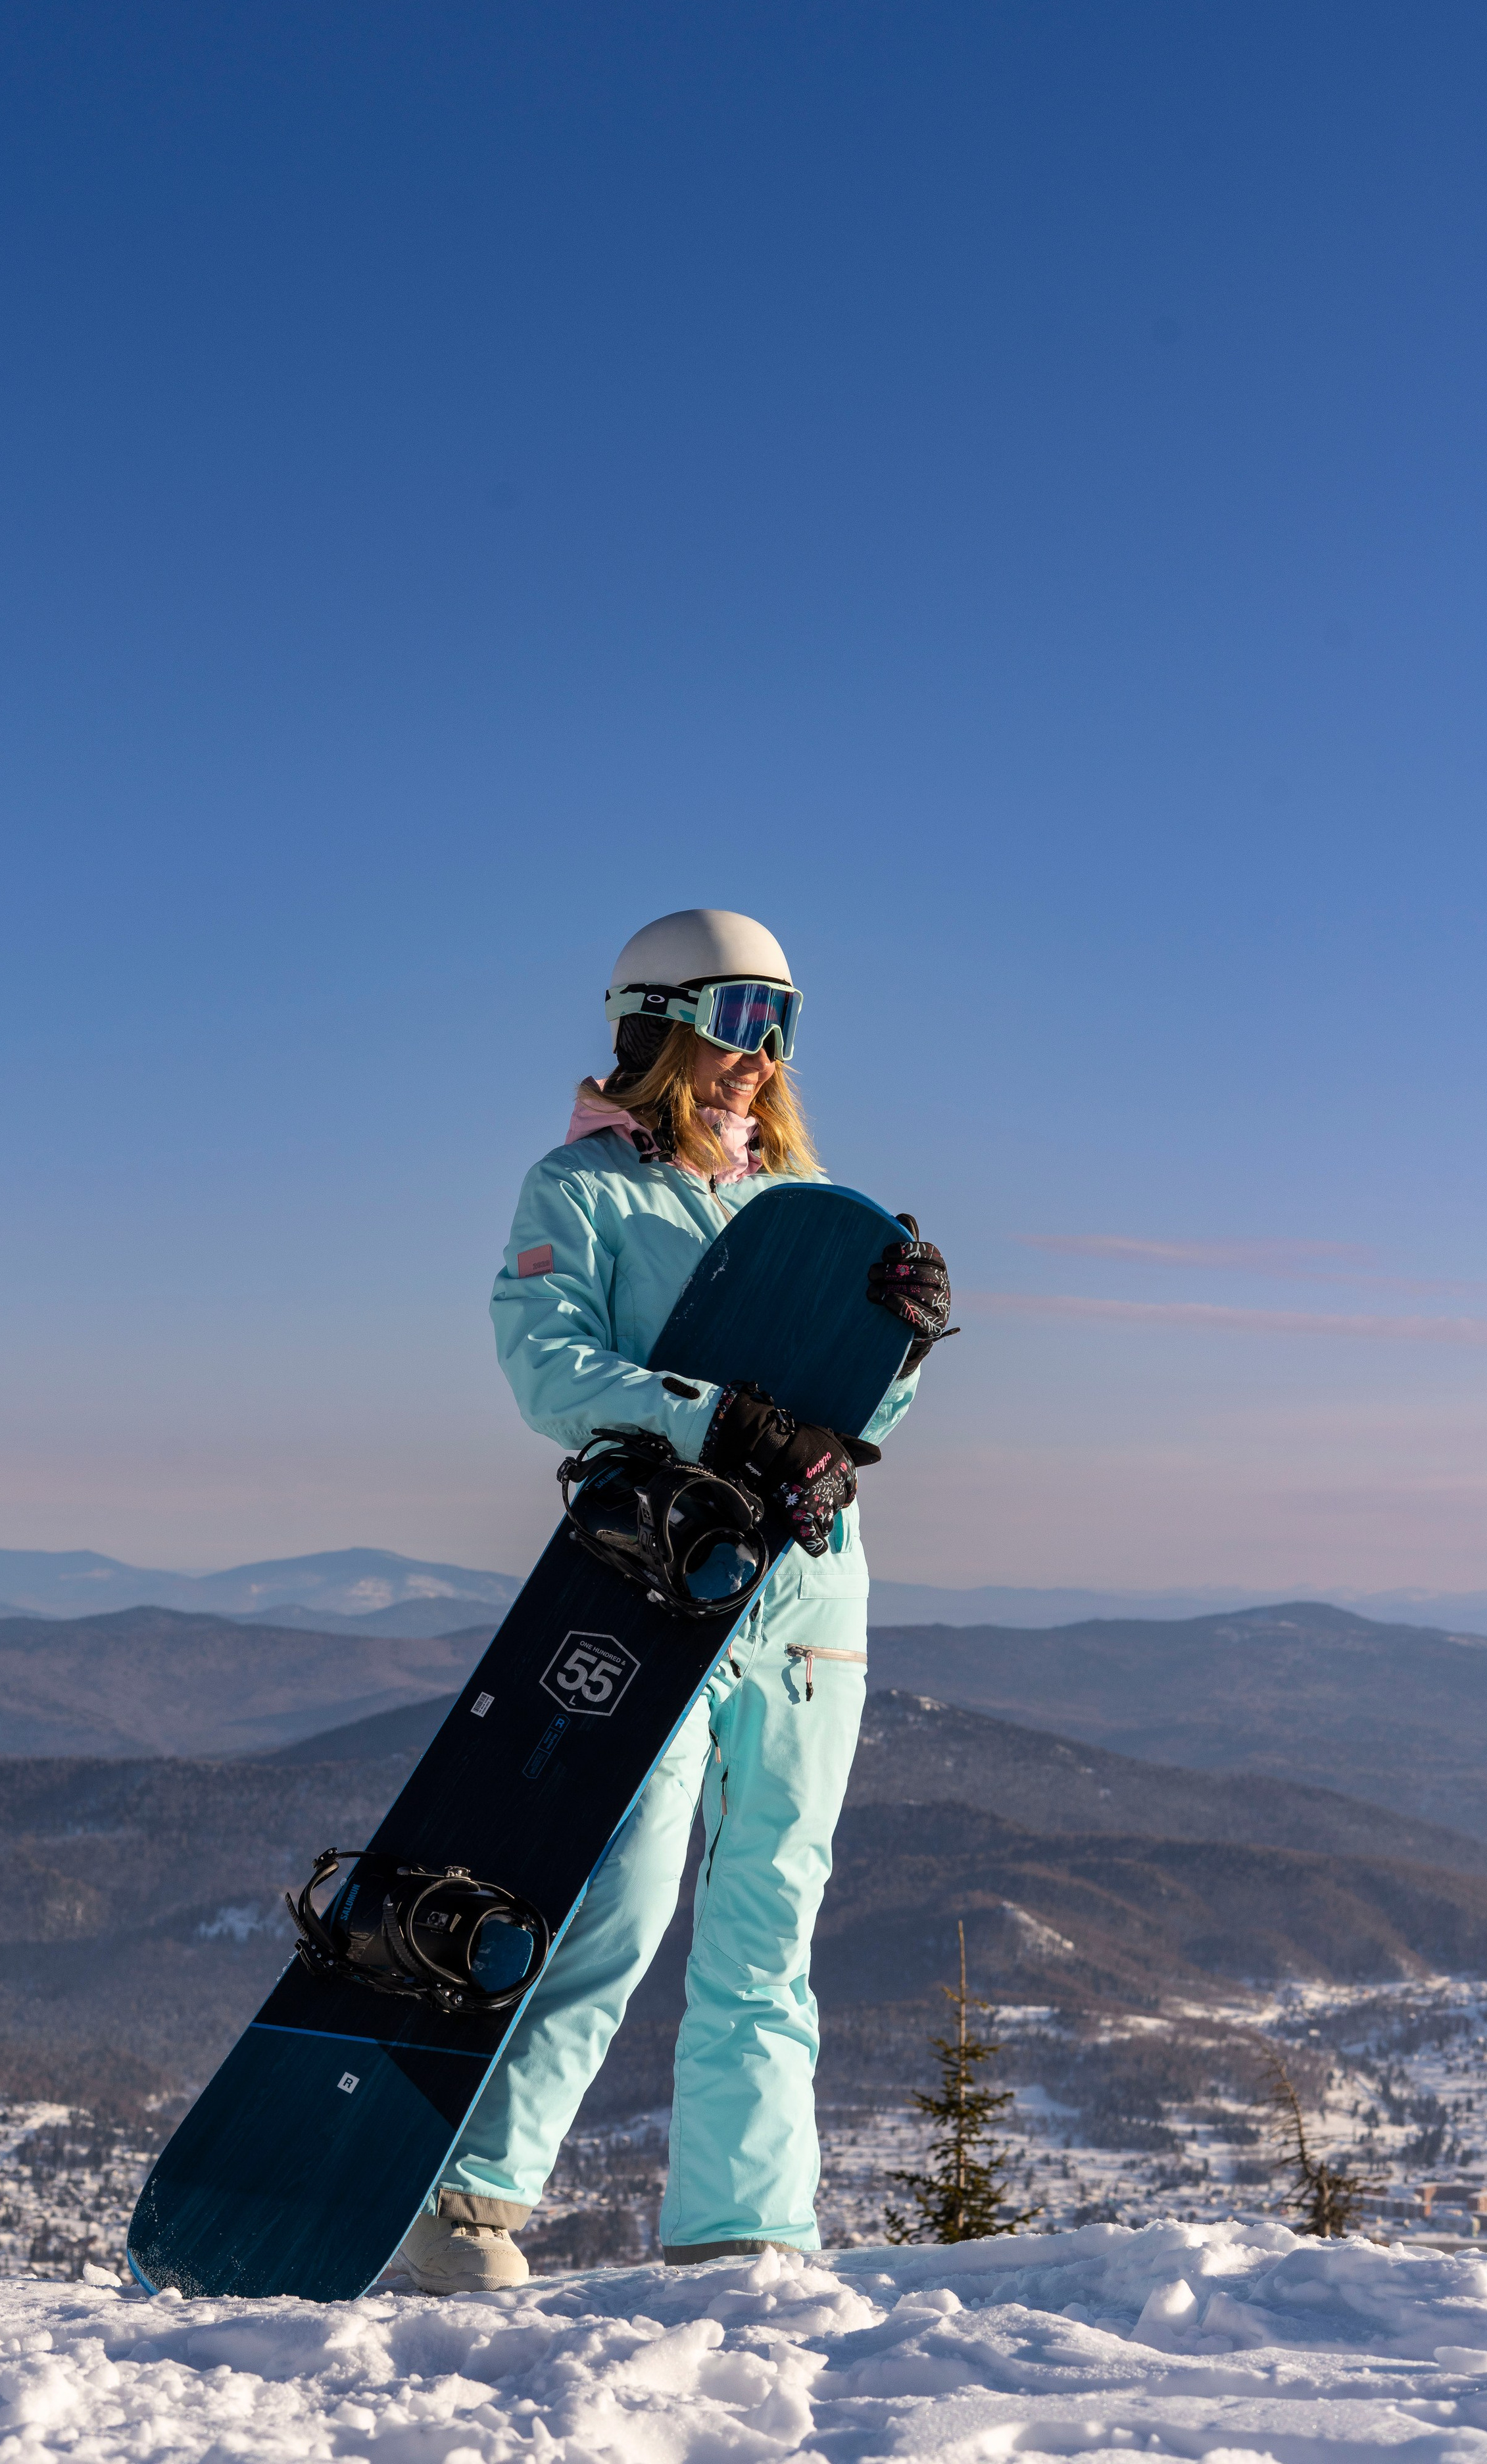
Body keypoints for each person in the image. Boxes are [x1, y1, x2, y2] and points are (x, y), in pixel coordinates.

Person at [391, 909, 950, 2292]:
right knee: (616, 1897)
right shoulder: (579, 1190)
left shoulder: (803, 1207)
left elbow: (852, 1415)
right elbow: (549, 1367)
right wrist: (710, 1421)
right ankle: (461, 2204)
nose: (751, 1062)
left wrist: (905, 1339)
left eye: (777, 1031)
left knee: (770, 1911)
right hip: (656, 1581)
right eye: (729, 1025)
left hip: (809, 1591)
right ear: (650, 1027)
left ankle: (741, 2231)